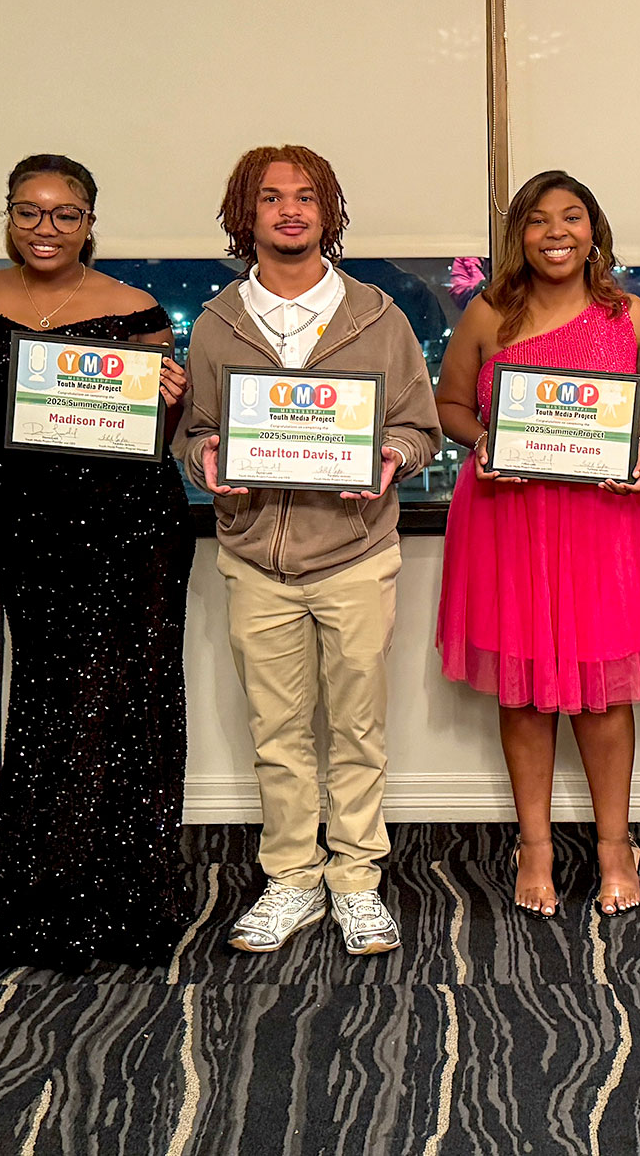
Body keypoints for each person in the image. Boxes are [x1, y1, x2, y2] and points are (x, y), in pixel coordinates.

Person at [175, 144, 442, 956]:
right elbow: (196, 432)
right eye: (271, 197)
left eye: (305, 196)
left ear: (328, 211)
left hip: (356, 555)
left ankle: (356, 881)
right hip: (255, 557)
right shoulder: (218, 323)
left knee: (358, 729)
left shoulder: (379, 316)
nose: (289, 210)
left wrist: (390, 457)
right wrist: (206, 457)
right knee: (277, 732)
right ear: (245, 215)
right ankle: (291, 878)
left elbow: (420, 428)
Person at [0, 154, 196, 969]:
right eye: (29, 210)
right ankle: (41, 884)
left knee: (127, 703)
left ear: (90, 221)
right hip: (31, 532)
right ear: (8, 215)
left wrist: (168, 400)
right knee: (52, 701)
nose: (45, 227)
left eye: (65, 213)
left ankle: (124, 893)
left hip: (134, 532)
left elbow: (154, 442)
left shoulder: (138, 308)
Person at [435, 170, 640, 917]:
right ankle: (533, 846)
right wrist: (484, 441)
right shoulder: (488, 312)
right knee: (526, 688)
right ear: (520, 235)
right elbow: (449, 404)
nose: (556, 232)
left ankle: (615, 846)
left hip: (601, 519)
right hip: (510, 514)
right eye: (538, 219)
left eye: (572, 216)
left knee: (603, 693)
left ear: (594, 230)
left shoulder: (629, 316)